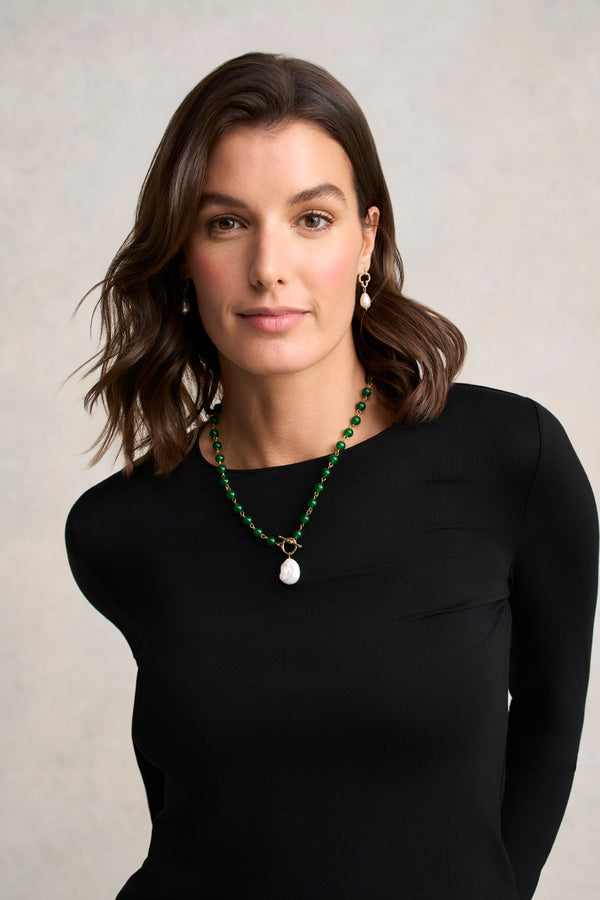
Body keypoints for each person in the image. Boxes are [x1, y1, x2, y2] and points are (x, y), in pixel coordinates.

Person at [65, 52, 598, 900]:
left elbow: (548, 727)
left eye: (311, 218)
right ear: (183, 255)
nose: (268, 267)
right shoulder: (118, 529)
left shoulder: (509, 458)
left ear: (366, 240)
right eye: (225, 223)